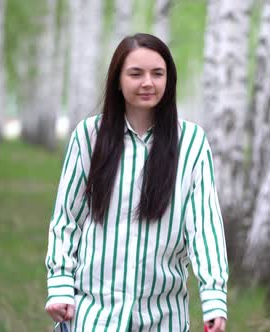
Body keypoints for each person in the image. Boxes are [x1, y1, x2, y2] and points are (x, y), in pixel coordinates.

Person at [44, 33, 228, 332]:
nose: (148, 83)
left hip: (163, 317)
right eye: (135, 73)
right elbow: (67, 219)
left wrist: (213, 297)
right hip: (93, 315)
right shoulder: (88, 136)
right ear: (118, 79)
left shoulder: (192, 143)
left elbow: (205, 227)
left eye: (158, 73)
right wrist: (61, 285)